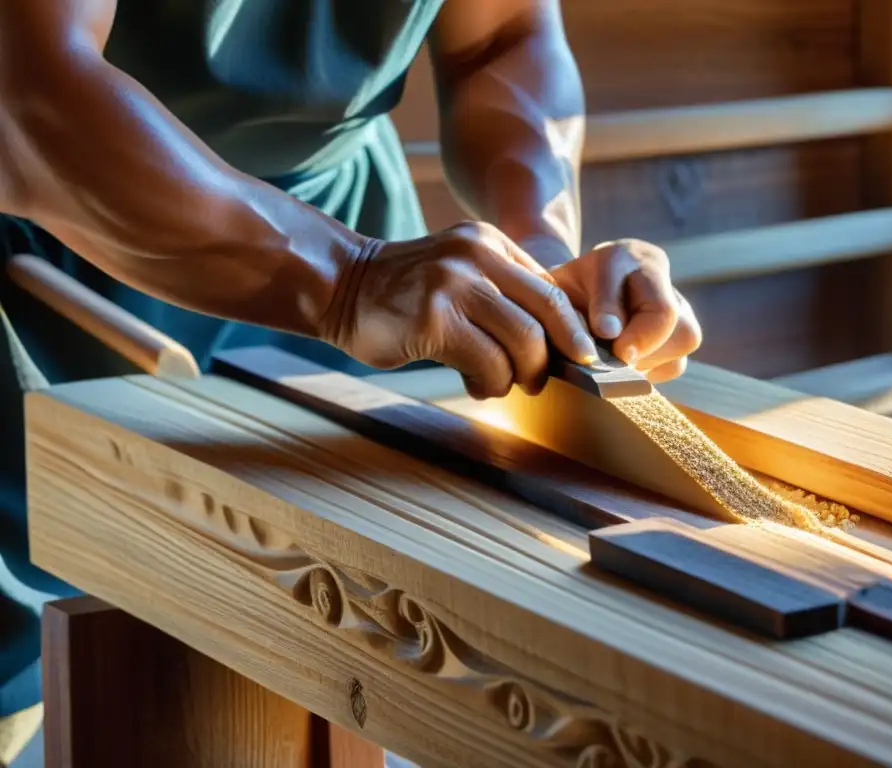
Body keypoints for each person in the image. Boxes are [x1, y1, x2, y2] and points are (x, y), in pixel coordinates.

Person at [0, 0, 702, 737]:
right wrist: (347, 281)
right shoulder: (352, 281)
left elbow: (500, 37)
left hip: (347, 261)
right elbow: (25, 91)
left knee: (358, 650)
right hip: (56, 259)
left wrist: (540, 257)